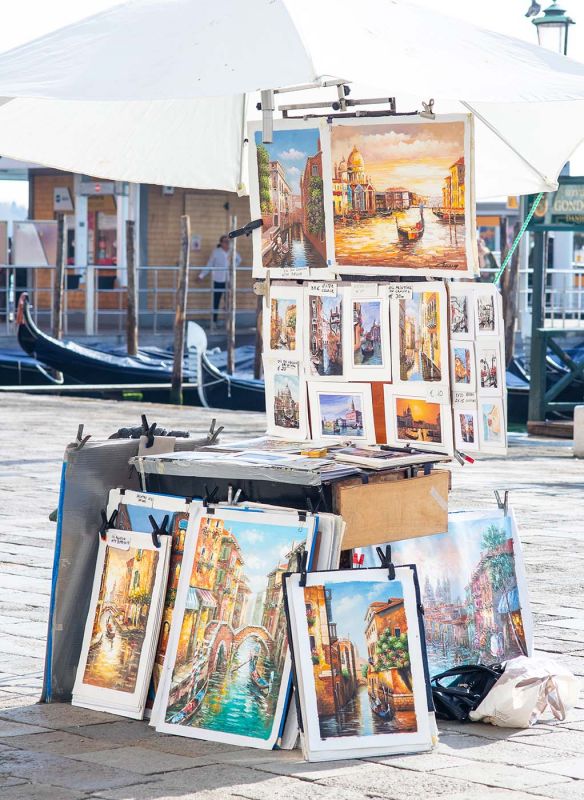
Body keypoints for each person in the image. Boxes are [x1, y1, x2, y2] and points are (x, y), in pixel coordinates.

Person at [198, 235, 241, 324]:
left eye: (228, 242)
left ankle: (228, 322)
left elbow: (239, 260)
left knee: (229, 301)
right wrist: (201, 275)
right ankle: (214, 321)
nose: (227, 243)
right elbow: (209, 264)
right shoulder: (216, 252)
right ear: (221, 243)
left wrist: (233, 267)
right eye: (225, 242)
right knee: (216, 302)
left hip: (228, 280)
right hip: (218, 280)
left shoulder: (232, 251)